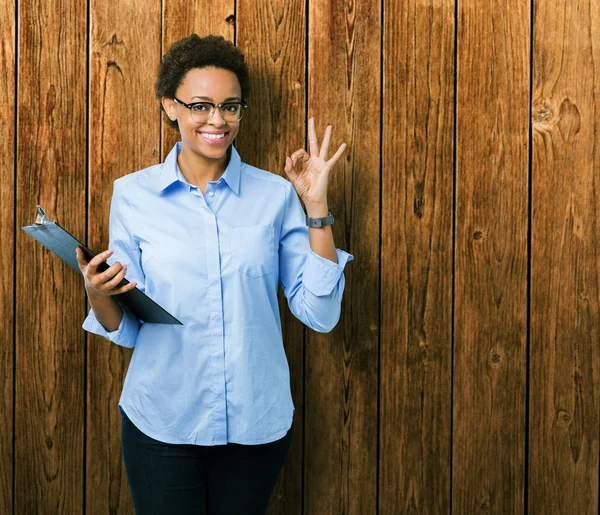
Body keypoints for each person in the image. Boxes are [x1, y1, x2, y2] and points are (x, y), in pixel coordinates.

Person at [75, 34, 354, 515]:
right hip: (162, 420)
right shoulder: (133, 195)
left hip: (254, 423)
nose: (217, 120)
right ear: (171, 107)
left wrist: (317, 208)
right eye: (200, 105)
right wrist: (96, 290)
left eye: (230, 106)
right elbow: (127, 324)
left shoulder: (275, 196)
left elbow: (320, 314)